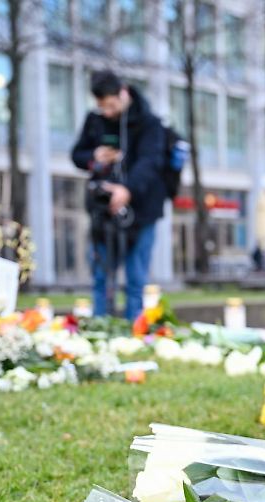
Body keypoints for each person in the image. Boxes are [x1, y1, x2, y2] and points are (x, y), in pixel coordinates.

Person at [71, 70, 168, 320]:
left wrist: (127, 189)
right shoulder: (95, 121)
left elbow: (150, 162)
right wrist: (94, 156)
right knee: (101, 277)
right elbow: (77, 155)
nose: (107, 112)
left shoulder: (149, 124)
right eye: (102, 106)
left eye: (111, 106)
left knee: (136, 279)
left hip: (142, 211)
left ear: (123, 94)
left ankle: (135, 330)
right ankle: (101, 327)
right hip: (103, 214)